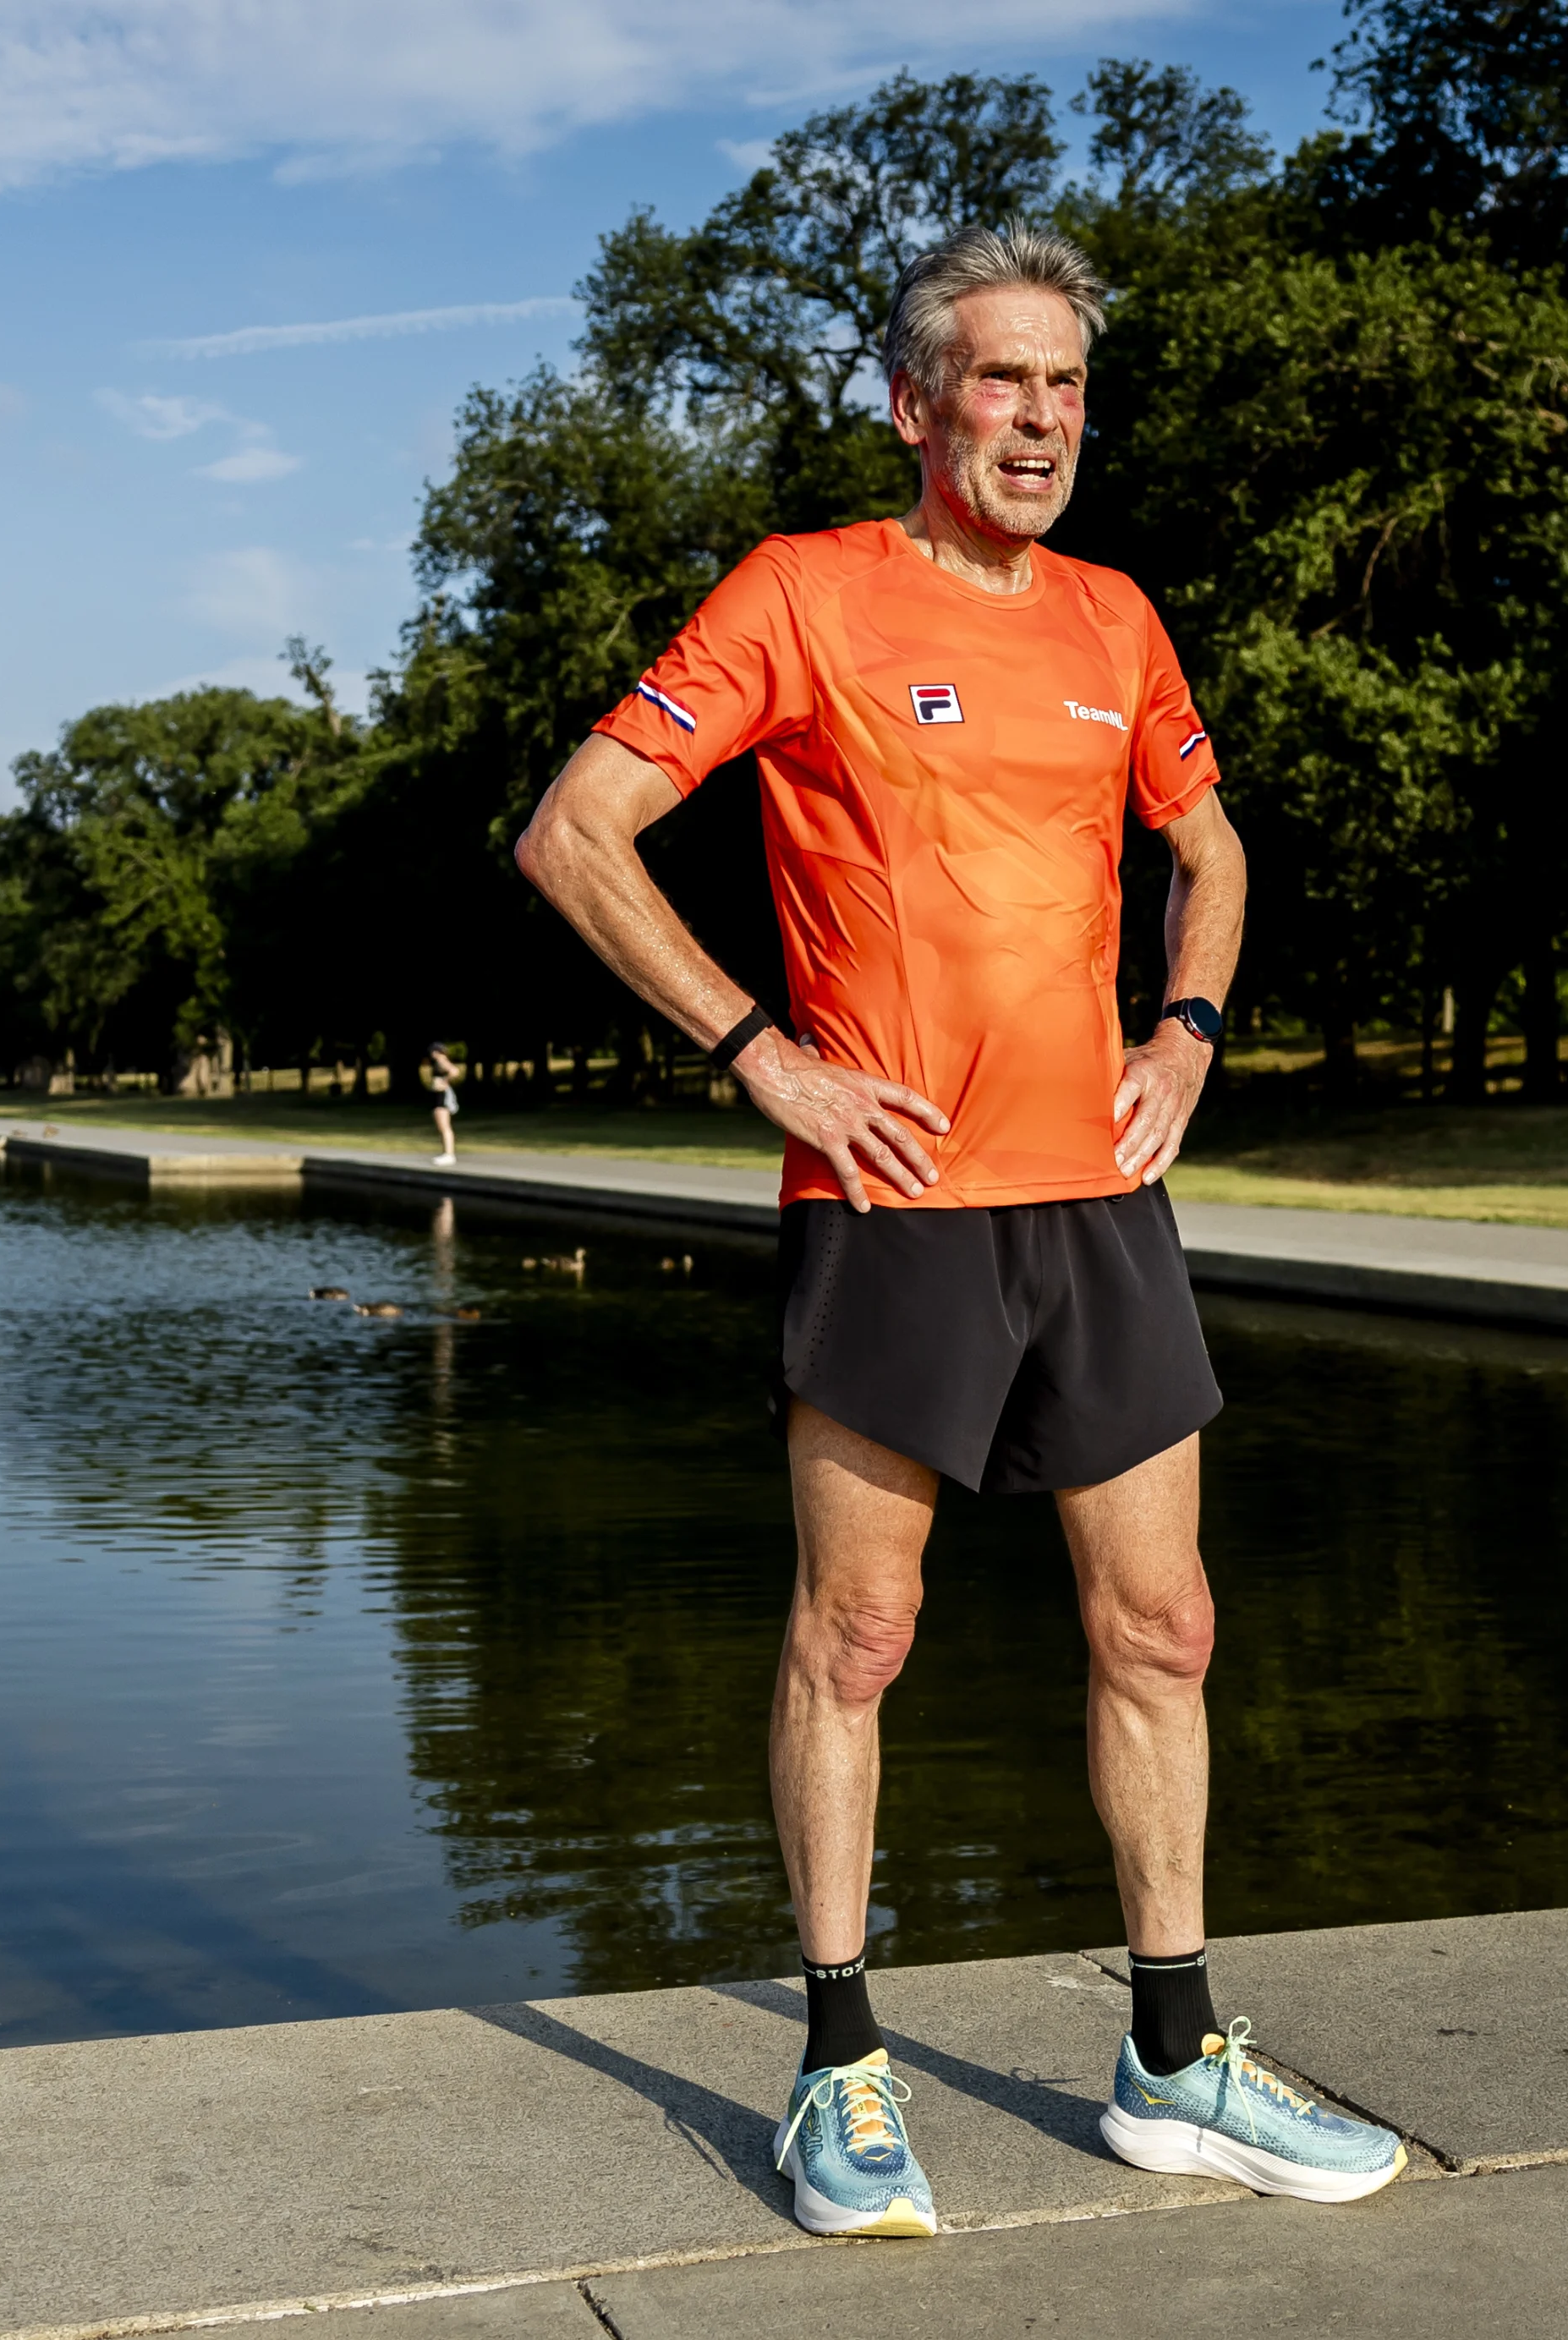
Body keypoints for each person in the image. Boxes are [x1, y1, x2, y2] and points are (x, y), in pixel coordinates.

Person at [515, 224, 1402, 2239]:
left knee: (1160, 1628)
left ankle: (1171, 2061)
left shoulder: (1111, 620)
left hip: (1096, 1201)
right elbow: (573, 830)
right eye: (999, 381)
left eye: (1064, 385)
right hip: (893, 1200)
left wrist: (1183, 1027)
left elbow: (1208, 844)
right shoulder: (801, 594)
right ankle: (836, 2069)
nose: (1039, 418)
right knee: (857, 1636)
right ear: (913, 402)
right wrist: (762, 1052)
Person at [425, 1044, 463, 1164]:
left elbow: (454, 1071)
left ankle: (449, 1154)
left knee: (444, 1126)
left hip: (442, 1096)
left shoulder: (442, 1061)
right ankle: (446, 1153)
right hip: (438, 1096)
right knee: (442, 1126)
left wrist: (445, 1081)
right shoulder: (439, 1062)